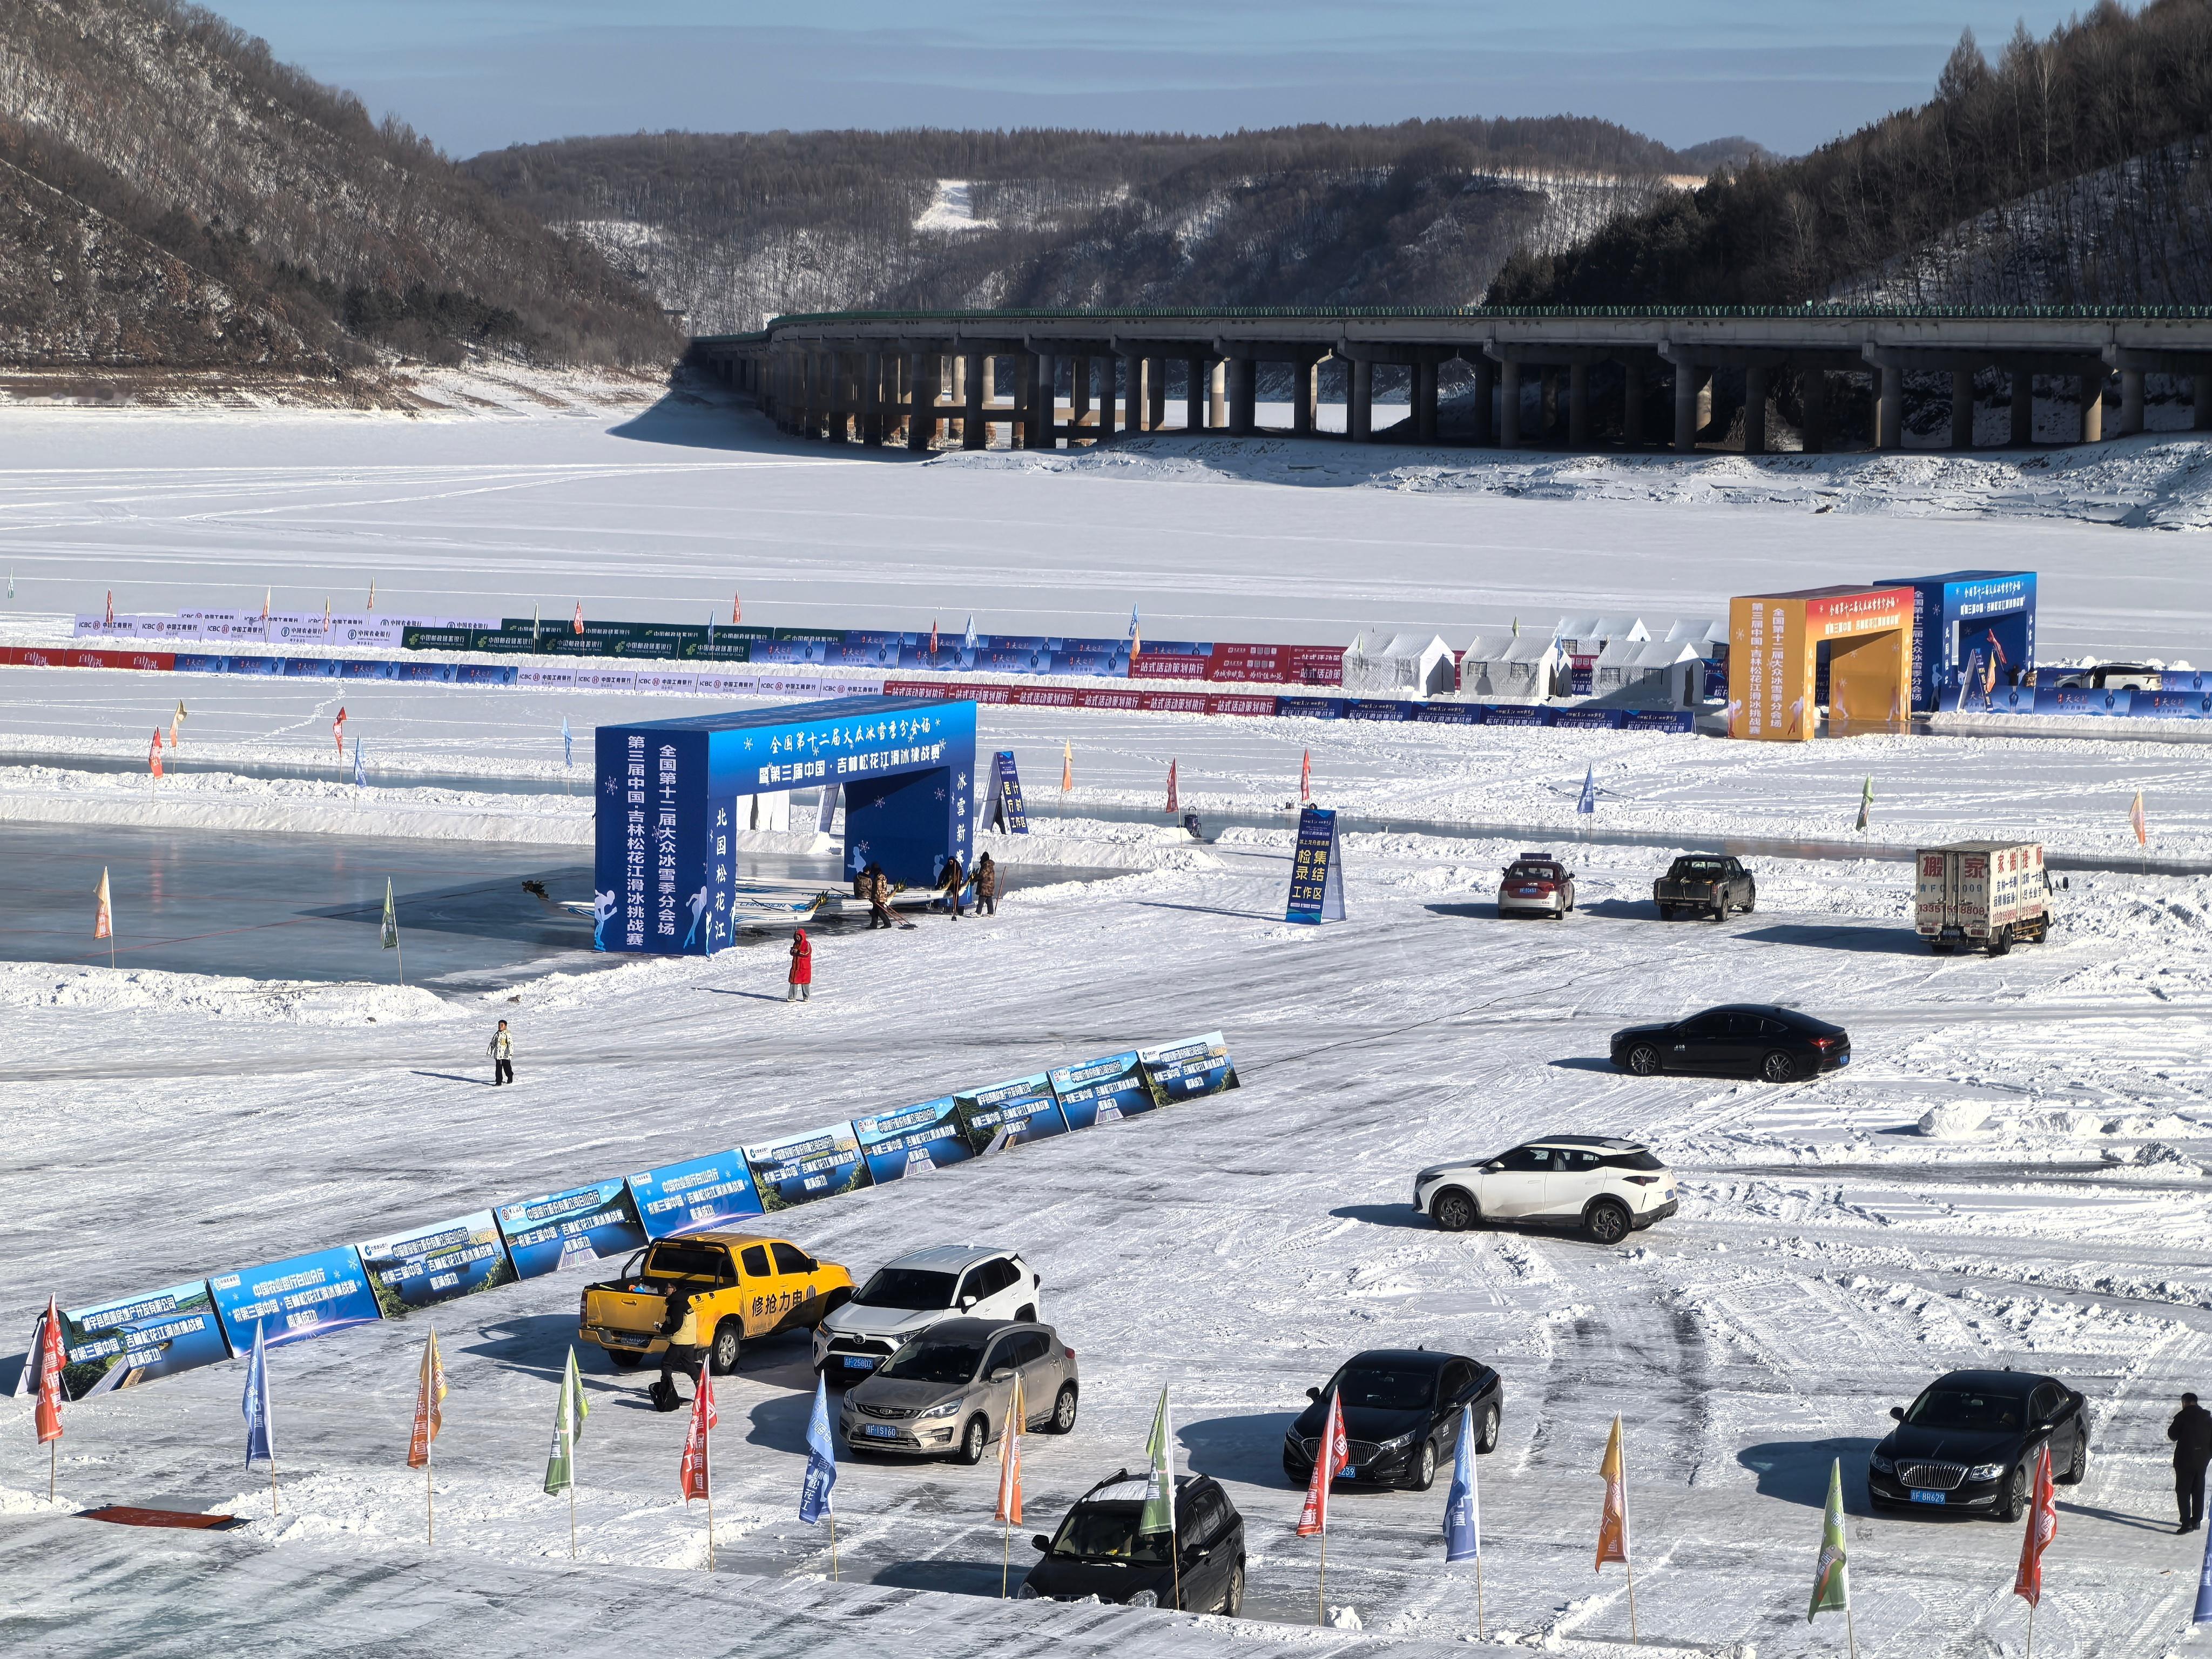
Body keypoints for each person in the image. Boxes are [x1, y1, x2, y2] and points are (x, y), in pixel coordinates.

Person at [2171, 1392, 2212, 1532]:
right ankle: (2197, 1522)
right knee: (2198, 1490)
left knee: (2183, 1491)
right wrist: (2207, 1456)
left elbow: (2172, 1435)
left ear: (2185, 1402)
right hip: (2202, 1461)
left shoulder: (2182, 1416)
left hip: (2184, 1460)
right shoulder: (2208, 1417)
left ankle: (2186, 1523)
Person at [787, 928, 813, 1001]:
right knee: (794, 982)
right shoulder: (796, 944)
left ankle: (806, 997)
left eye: (798, 936)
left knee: (805, 983)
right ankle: (792, 997)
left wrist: (798, 952)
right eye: (796, 936)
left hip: (804, 967)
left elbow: (807, 953)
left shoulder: (807, 944)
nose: (797, 938)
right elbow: (793, 953)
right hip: (796, 967)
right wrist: (793, 951)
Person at [937, 854, 966, 920]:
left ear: (953, 861)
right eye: (949, 862)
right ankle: (936, 905)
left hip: (955, 884)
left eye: (951, 862)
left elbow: (960, 875)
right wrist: (939, 883)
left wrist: (957, 881)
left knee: (956, 893)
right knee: (938, 888)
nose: (950, 863)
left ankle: (955, 908)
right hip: (948, 883)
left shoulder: (957, 866)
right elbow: (942, 874)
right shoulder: (947, 866)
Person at [487, 1019, 513, 1085]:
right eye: (499, 1025)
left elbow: (510, 1044)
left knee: (507, 1067)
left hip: (505, 1055)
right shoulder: (497, 1034)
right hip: (498, 1055)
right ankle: (499, 1081)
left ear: (505, 1026)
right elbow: (493, 1043)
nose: (500, 1027)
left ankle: (510, 1076)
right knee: (498, 1068)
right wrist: (490, 1051)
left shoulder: (507, 1034)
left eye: (502, 1025)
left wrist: (510, 1052)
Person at [973, 851, 999, 917]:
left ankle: (978, 912)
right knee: (988, 899)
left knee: (982, 898)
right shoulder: (988, 865)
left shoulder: (987, 865)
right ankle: (991, 912)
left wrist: (976, 877)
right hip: (989, 886)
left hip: (986, 886)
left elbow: (982, 874)